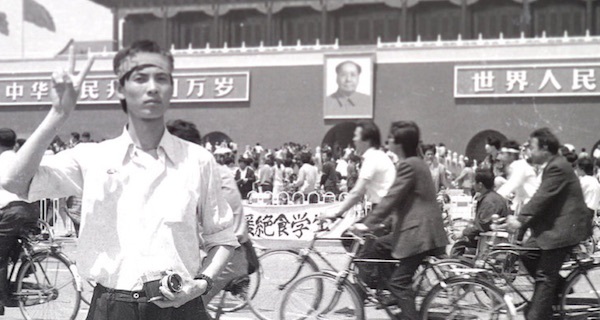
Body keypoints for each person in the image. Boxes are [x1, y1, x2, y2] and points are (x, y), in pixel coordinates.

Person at [1, 40, 238, 320]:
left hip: (181, 307)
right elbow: (16, 182)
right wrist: (58, 114)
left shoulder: (198, 160)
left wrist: (202, 284)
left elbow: (222, 237)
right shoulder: (93, 158)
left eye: (161, 78)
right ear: (120, 89)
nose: (152, 87)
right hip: (112, 307)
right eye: (140, 78)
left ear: (171, 89)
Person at [351, 121, 449, 320]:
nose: (388, 140)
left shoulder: (408, 165)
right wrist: (381, 222)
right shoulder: (416, 163)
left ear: (400, 143)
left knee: (399, 283)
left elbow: (391, 198)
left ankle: (401, 300)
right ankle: (390, 292)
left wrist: (366, 223)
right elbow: (401, 201)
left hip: (419, 233)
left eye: (392, 137)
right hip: (421, 230)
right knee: (378, 246)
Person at [493, 128, 592, 320]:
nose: (529, 151)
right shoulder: (551, 165)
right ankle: (559, 290)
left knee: (544, 278)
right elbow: (543, 200)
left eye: (532, 147)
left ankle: (540, 310)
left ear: (545, 148)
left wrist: (520, 219)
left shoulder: (557, 166)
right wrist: (517, 222)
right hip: (553, 227)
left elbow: (541, 197)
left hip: (564, 231)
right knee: (526, 253)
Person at [165, 120, 255, 306]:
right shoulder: (210, 170)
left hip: (226, 256)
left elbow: (217, 231)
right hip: (230, 251)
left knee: (186, 305)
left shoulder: (204, 173)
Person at [0, 128, 39, 315]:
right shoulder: (21, 160)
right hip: (31, 211)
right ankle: (23, 268)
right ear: (14, 143)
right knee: (9, 249)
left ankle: (4, 297)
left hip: (11, 213)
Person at [321, 121, 395, 218]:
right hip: (384, 209)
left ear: (367, 140)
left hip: (384, 211)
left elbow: (357, 192)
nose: (354, 139)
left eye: (356, 136)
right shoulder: (378, 156)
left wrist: (336, 212)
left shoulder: (372, 158)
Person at [450, 169, 510, 256]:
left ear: (480, 185)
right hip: (486, 236)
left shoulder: (489, 201)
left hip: (487, 240)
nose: (472, 184)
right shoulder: (492, 197)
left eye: (474, 182)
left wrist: (463, 232)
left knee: (458, 246)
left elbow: (482, 226)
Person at [496, 140, 539, 215]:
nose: (498, 157)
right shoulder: (516, 166)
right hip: (521, 205)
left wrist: (492, 199)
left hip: (530, 207)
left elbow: (510, 185)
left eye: (502, 153)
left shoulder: (520, 166)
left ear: (511, 155)